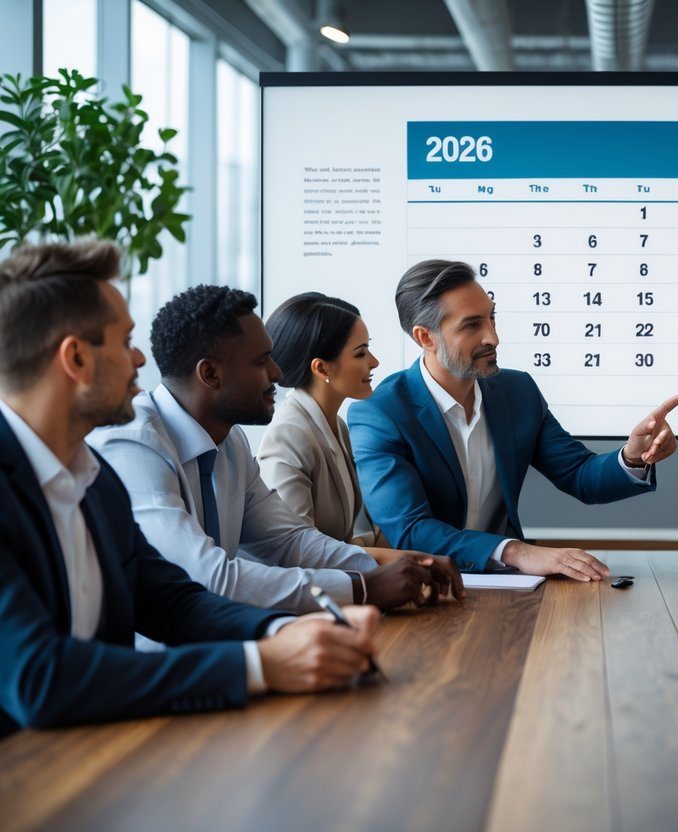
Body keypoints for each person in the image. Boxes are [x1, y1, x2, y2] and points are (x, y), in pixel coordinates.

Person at [0, 241, 380, 737]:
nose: (140, 358)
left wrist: (287, 631)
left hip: (106, 761)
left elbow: (173, 601)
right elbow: (39, 678)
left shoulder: (95, 480)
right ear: (76, 358)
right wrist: (260, 664)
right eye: (124, 341)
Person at [89, 285, 463, 612]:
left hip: (227, 638)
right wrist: (363, 587)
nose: (279, 374)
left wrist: (403, 566)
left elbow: (289, 540)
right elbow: (206, 577)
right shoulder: (133, 443)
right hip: (158, 665)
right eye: (261, 361)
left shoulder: (230, 440)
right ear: (210, 374)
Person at [349, 259, 678, 581]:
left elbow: (579, 475)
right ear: (426, 338)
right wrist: (515, 551)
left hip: (508, 587)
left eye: (492, 318)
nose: (493, 338)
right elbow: (409, 531)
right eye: (472, 325)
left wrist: (632, 456)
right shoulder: (380, 413)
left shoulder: (518, 391)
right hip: (422, 589)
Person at [259, 293, 392, 554]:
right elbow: (297, 550)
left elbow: (345, 538)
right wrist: (403, 559)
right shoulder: (289, 435)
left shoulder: (337, 426)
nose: (374, 362)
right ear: (321, 369)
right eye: (361, 353)